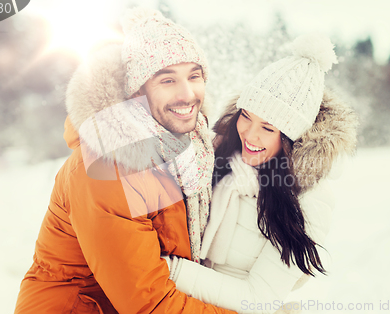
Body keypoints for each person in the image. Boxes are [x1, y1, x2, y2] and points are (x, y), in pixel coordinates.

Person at [15, 8, 237, 314]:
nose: (187, 94)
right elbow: (150, 302)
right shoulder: (107, 168)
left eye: (194, 76)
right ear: (139, 91)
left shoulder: (192, 150)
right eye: (167, 80)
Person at [162, 34, 358, 313]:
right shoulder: (217, 156)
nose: (250, 135)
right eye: (246, 116)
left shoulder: (310, 200)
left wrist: (171, 270)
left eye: (268, 128)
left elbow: (258, 299)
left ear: (292, 139)